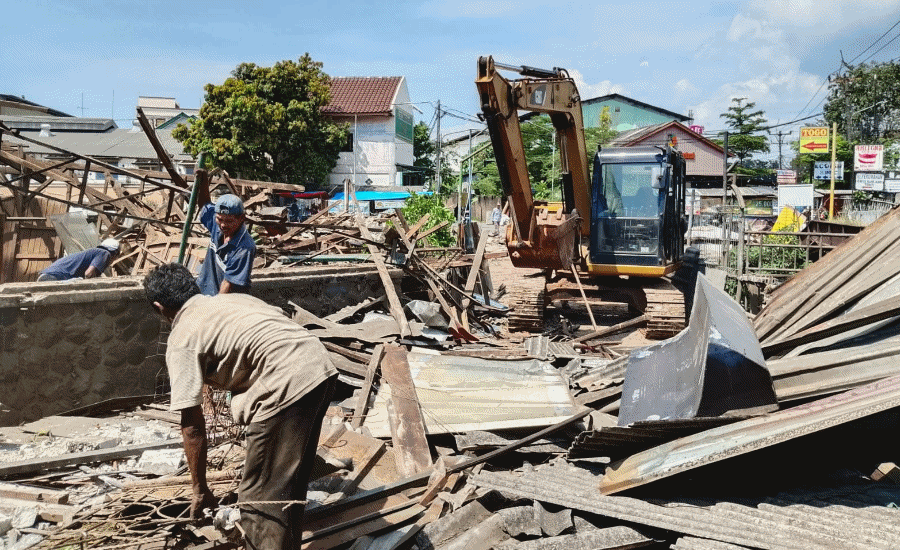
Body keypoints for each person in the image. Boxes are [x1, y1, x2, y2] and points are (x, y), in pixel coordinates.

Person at [144, 262, 338, 550]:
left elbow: (192, 426)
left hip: (284, 383)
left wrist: (199, 489)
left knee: (259, 499)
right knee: (286, 488)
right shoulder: (233, 300)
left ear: (160, 307)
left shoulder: (182, 337)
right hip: (319, 368)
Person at [195, 181, 256, 295]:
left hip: (226, 301)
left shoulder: (244, 247)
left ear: (241, 218)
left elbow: (227, 284)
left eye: (229, 221)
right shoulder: (216, 225)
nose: (223, 224)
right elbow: (205, 205)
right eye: (220, 219)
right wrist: (203, 179)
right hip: (204, 292)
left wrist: (217, 308)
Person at [37, 239, 120, 281]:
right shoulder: (104, 253)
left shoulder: (94, 252)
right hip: (55, 277)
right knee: (79, 282)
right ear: (115, 254)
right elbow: (88, 274)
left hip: (47, 276)